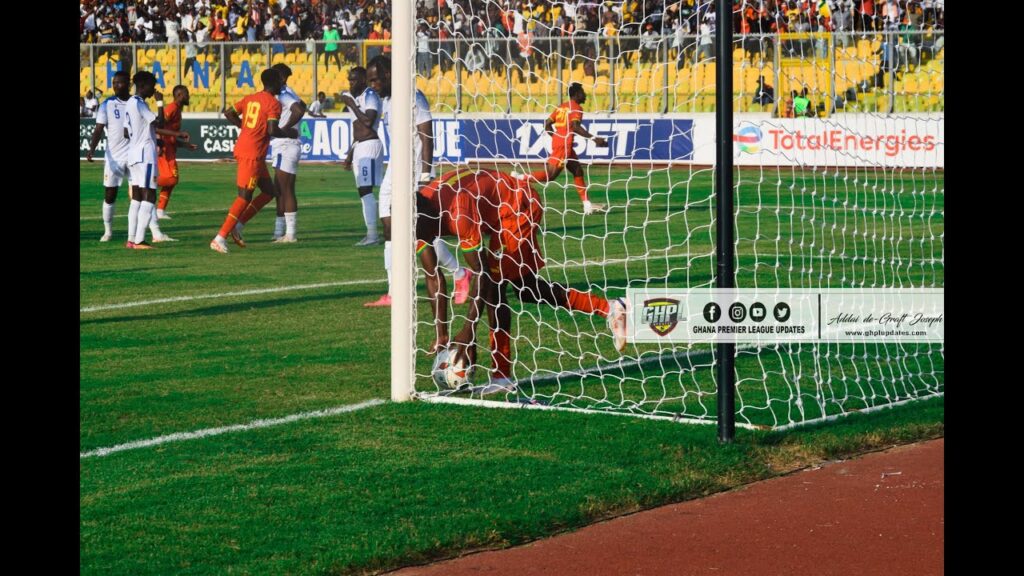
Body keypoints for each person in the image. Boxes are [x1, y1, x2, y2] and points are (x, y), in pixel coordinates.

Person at [416, 169, 629, 391]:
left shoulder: (458, 213)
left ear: (425, 218)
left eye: (417, 231)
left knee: (495, 290)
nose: (415, 237)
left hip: (517, 206)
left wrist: (468, 330)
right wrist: (441, 333)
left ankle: (501, 376)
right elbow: (433, 277)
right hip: (496, 212)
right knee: (527, 289)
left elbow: (481, 272)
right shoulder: (416, 217)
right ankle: (611, 307)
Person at [362, 54, 470, 308]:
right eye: (370, 81)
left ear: (389, 74)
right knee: (389, 226)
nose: (373, 86)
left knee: (420, 229)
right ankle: (394, 292)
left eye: (376, 80)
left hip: (414, 170)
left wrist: (425, 175)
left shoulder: (413, 97)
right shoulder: (387, 100)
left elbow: (426, 136)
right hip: (395, 168)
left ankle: (460, 273)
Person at [210, 69, 293, 254]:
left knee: (270, 191)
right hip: (252, 153)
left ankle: (238, 226)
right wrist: (289, 133)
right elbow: (272, 129)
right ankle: (219, 238)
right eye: (280, 81)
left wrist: (244, 127)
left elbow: (229, 113)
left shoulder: (250, 98)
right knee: (244, 196)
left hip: (251, 151)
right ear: (274, 82)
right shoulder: (273, 103)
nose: (282, 85)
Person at [517, 82, 608, 215]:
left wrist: (556, 136)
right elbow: (575, 127)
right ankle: (520, 178)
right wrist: (594, 138)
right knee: (550, 175)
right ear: (576, 94)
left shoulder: (561, 107)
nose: (585, 95)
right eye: (582, 92)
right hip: (564, 145)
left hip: (562, 143)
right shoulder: (576, 108)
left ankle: (587, 204)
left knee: (577, 171)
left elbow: (547, 124)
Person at [339, 66, 384, 247]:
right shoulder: (358, 98)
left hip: (369, 146)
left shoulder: (369, 95)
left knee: (366, 190)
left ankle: (373, 235)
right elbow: (357, 130)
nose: (351, 83)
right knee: (363, 191)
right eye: (349, 80)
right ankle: (371, 234)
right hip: (360, 147)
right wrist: (350, 154)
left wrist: (351, 104)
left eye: (354, 80)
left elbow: (368, 122)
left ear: (363, 80)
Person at [86, 71, 131, 242]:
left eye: (120, 82)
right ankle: (108, 231)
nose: (116, 86)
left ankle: (136, 233)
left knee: (137, 195)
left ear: (128, 84)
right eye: (114, 83)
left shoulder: (136, 102)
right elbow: (98, 129)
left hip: (134, 156)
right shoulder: (107, 104)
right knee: (110, 195)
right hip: (114, 157)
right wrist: (92, 148)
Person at [123, 71, 166, 249]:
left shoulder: (129, 103)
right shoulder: (140, 103)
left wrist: (148, 136)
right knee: (150, 195)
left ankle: (131, 239)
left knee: (137, 198)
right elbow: (160, 122)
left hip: (133, 154)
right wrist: (160, 102)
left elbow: (126, 132)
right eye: (151, 86)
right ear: (142, 86)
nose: (153, 89)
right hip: (145, 155)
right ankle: (139, 240)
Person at [267, 63, 306, 243]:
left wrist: (284, 128)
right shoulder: (288, 92)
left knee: (286, 189)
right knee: (280, 189)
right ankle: (279, 231)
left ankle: (290, 234)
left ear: (280, 77)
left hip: (285, 144)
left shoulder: (283, 93)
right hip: (282, 145)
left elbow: (299, 110)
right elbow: (302, 105)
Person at [155, 85, 199, 222]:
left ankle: (160, 210)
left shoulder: (178, 110)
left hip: (170, 149)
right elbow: (158, 126)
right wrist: (158, 144)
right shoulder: (172, 108)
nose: (188, 96)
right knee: (171, 179)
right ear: (179, 95)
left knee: (171, 182)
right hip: (164, 150)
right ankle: (142, 184)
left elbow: (171, 136)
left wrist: (185, 145)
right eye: (186, 94)